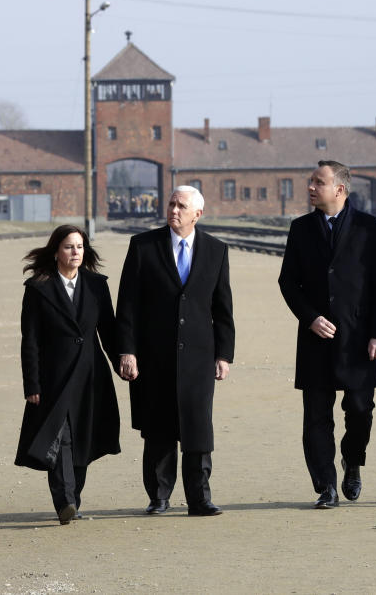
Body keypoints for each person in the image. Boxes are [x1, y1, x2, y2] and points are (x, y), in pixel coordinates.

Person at [278, 160, 376, 509]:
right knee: (316, 416)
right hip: (315, 339)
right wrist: (309, 317)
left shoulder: (370, 227)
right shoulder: (300, 228)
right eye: (311, 181)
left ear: (339, 189)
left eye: (319, 182)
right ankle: (325, 486)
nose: (311, 187)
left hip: (358, 338)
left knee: (360, 409)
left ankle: (352, 460)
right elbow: (288, 282)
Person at [116, 185, 235, 517]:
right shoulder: (143, 246)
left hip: (199, 357)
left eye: (181, 206)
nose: (174, 210)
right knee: (158, 429)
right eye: (171, 204)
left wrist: (224, 355)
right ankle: (159, 497)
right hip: (153, 356)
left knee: (198, 429)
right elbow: (127, 305)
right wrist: (127, 351)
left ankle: (200, 498)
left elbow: (223, 308)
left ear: (197, 214)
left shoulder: (216, 250)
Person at [15, 225, 121, 525]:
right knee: (60, 437)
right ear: (56, 252)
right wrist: (32, 383)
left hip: (91, 375)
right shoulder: (38, 288)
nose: (75, 252)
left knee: (84, 439)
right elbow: (30, 340)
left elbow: (109, 331)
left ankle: (73, 497)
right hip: (54, 377)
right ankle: (65, 500)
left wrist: (122, 362)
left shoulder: (97, 285)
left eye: (79, 247)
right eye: (68, 247)